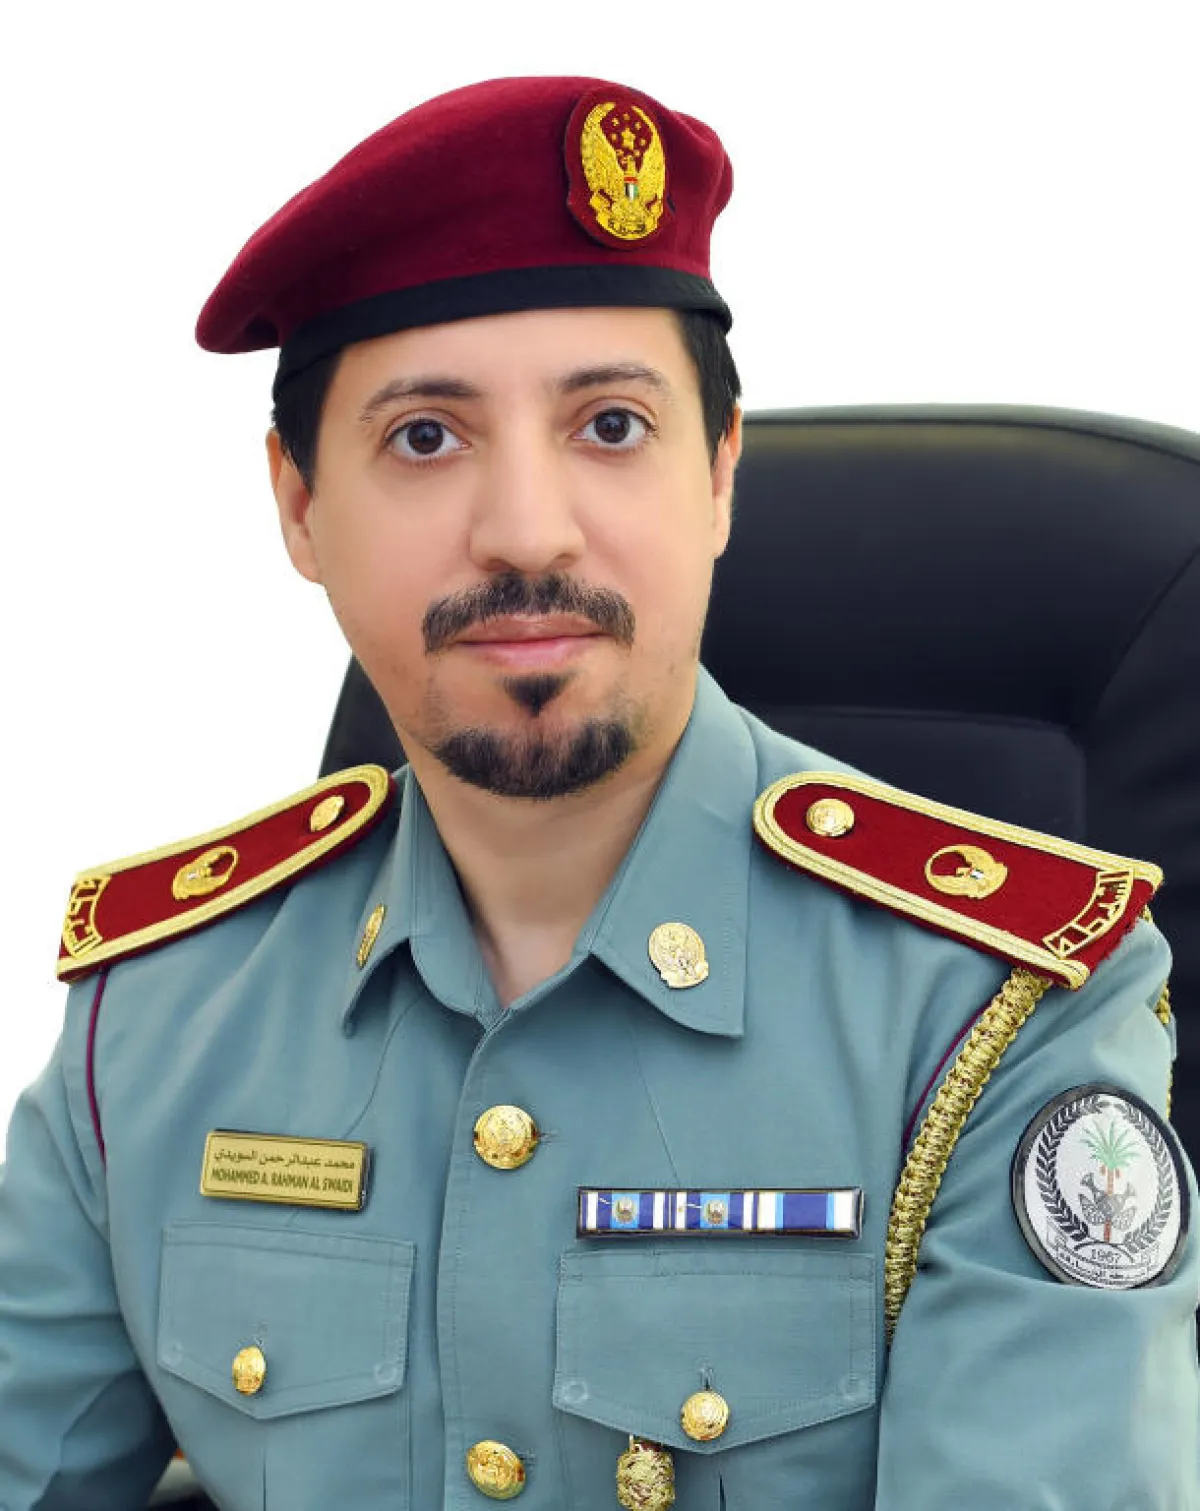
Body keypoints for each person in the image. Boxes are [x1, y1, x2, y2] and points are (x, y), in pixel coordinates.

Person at [1, 74, 1196, 1511]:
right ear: (300, 506)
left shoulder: (1000, 1012)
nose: (526, 531)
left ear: (721, 476)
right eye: (425, 436)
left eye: (612, 425)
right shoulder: (153, 1014)